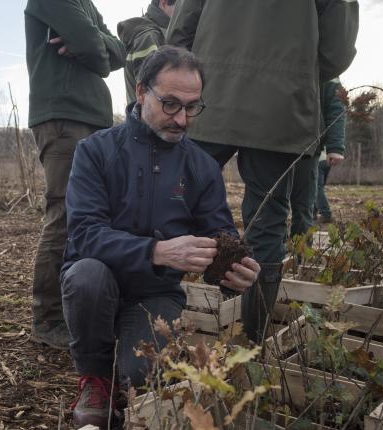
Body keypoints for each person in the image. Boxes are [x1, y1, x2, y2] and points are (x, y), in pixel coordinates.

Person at [61, 46, 260, 429]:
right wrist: (155, 250)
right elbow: (84, 234)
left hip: (154, 294)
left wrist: (234, 272)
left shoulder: (200, 166)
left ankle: (125, 372)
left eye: (192, 107)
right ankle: (95, 378)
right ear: (141, 93)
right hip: (98, 280)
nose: (182, 119)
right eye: (170, 104)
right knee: (86, 275)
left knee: (142, 377)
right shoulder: (96, 151)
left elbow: (219, 236)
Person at [167, 0, 359, 343]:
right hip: (281, 106)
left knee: (173, 203)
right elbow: (336, 53)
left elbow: (179, 32)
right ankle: (251, 342)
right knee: (268, 223)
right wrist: (291, 70)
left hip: (211, 97)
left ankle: (155, 325)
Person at [24, 0, 125, 349]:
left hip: (94, 119)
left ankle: (85, 308)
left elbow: (116, 51)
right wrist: (91, 45)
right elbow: (94, 50)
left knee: (97, 216)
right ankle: (48, 318)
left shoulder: (87, 4)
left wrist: (93, 42)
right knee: (66, 214)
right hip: (64, 116)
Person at [290, 79, 346, 234]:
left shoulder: (325, 65)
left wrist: (335, 146)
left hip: (311, 151)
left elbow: (336, 107)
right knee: (274, 203)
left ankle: (300, 253)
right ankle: (271, 254)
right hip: (273, 146)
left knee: (308, 199)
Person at [117, 0, 177, 105]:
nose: (183, 13)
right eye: (180, 6)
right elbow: (151, 92)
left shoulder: (156, 33)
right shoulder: (149, 36)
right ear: (164, 3)